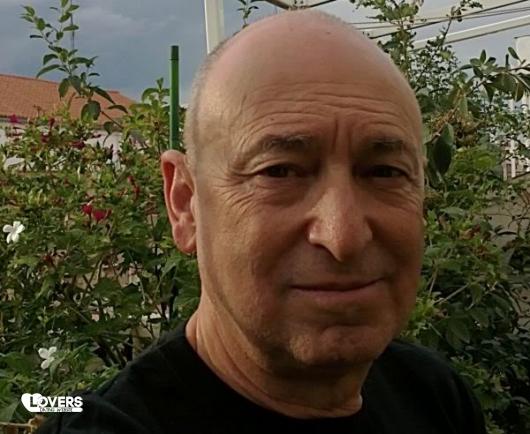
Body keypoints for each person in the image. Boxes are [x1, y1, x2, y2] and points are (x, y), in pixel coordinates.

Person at [37, 9, 486, 434]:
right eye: (279, 172)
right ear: (185, 203)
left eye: (385, 172)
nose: (343, 235)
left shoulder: (433, 396)